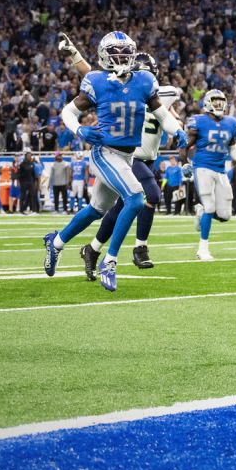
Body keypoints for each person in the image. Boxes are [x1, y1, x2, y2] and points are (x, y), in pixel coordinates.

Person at [41, 32, 183, 291]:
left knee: (97, 209)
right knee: (136, 198)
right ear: (106, 55)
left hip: (127, 156)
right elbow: (68, 111)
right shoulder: (97, 81)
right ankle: (110, 261)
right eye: (117, 52)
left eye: (126, 51)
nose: (123, 57)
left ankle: (57, 242)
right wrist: (80, 131)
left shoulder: (144, 81)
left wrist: (177, 130)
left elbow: (163, 115)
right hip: (104, 152)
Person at [184, 89, 236, 261]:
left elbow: (232, 147)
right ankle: (202, 249)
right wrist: (185, 163)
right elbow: (185, 145)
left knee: (225, 215)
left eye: (220, 101)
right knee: (210, 206)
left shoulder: (231, 122)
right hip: (202, 167)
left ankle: (201, 213)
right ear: (207, 103)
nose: (218, 104)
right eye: (214, 101)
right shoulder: (198, 121)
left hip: (220, 168)